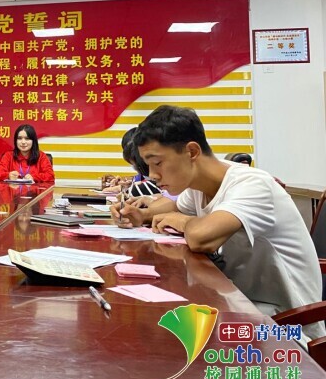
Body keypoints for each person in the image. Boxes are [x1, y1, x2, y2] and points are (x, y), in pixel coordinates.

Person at [112, 105, 325, 341]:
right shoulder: (198, 187)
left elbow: (201, 238)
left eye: (157, 163)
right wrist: (137, 214)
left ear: (192, 151)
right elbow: (169, 207)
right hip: (241, 304)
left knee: (169, 341)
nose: (152, 175)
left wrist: (183, 221)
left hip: (287, 325)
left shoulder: (252, 184)